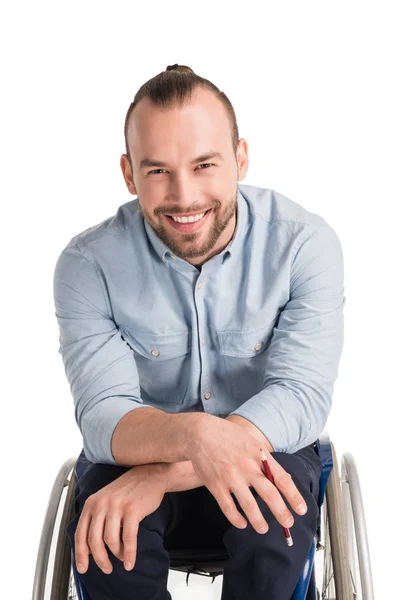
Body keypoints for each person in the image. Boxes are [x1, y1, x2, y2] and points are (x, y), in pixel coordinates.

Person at [53, 63, 345, 599]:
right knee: (107, 545)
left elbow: (299, 397)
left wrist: (164, 474)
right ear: (128, 173)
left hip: (266, 452)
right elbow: (103, 414)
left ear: (240, 159)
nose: (183, 197)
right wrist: (192, 441)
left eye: (204, 164)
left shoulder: (304, 245)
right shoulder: (88, 265)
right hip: (135, 455)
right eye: (158, 170)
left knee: (273, 542)